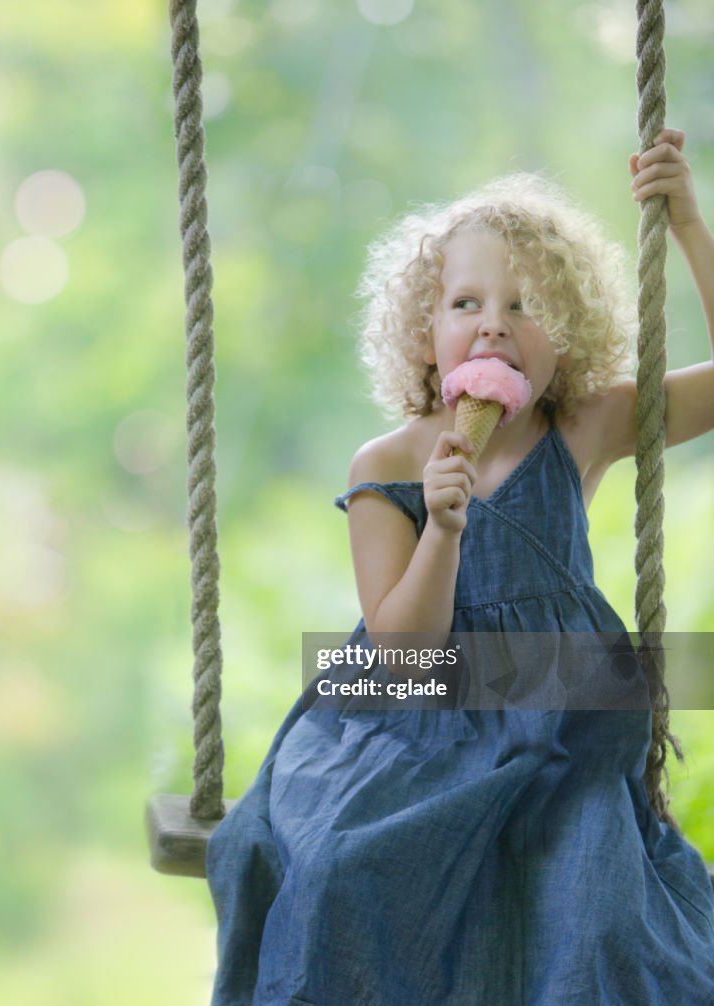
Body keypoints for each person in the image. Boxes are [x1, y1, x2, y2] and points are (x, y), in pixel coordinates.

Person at [206, 128, 714, 1005]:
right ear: (424, 332)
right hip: (413, 733)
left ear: (570, 333)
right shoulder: (389, 464)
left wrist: (691, 230)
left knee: (601, 930)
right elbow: (405, 657)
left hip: (563, 735)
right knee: (339, 876)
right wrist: (442, 529)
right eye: (467, 304)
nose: (494, 323)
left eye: (526, 306)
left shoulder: (582, 427)